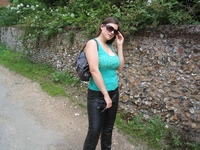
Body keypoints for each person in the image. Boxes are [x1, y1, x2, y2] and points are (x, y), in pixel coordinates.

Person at [83, 17, 124, 150]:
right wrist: (105, 95)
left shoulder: (110, 47)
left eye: (115, 31)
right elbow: (94, 70)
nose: (112, 32)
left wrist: (119, 45)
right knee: (94, 131)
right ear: (102, 26)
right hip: (97, 94)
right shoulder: (92, 44)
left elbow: (120, 67)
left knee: (108, 130)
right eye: (110, 28)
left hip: (114, 92)